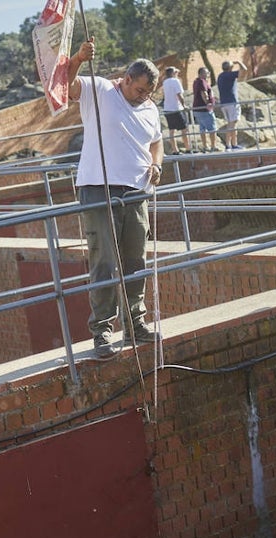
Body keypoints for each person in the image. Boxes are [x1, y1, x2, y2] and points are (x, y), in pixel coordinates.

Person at [67, 38, 164, 359]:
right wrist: (80, 58)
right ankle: (103, 332)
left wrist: (157, 163)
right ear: (125, 79)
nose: (143, 97)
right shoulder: (101, 90)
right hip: (98, 188)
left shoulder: (150, 108)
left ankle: (136, 322)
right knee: (104, 262)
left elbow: (157, 142)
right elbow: (64, 85)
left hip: (137, 192)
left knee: (136, 261)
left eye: (148, 92)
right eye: (139, 90)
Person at [217, 59, 247, 150]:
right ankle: (228, 145)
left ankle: (234, 144)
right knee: (232, 124)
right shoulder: (230, 75)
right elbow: (245, 70)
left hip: (224, 103)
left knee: (232, 123)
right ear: (230, 67)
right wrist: (239, 62)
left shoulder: (220, 76)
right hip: (232, 103)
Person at [160, 66, 188, 154]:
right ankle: (188, 148)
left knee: (171, 130)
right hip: (176, 108)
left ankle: (175, 150)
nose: (177, 74)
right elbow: (179, 95)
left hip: (168, 109)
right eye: (176, 72)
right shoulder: (176, 81)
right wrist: (184, 105)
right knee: (184, 129)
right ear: (173, 73)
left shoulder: (165, 82)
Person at [191, 66, 217, 152]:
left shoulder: (196, 82)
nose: (209, 74)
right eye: (207, 72)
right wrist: (208, 103)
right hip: (204, 109)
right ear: (202, 74)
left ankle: (205, 146)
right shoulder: (202, 81)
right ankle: (213, 146)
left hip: (197, 109)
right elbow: (204, 93)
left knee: (202, 128)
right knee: (212, 128)